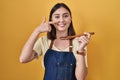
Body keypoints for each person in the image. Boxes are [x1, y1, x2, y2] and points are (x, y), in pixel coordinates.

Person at [20, 3, 91, 80]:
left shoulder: (79, 43)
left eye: (65, 16)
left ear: (70, 19)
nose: (61, 20)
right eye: (57, 17)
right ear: (51, 20)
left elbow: (81, 78)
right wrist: (37, 31)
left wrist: (81, 50)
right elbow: (23, 59)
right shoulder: (44, 41)